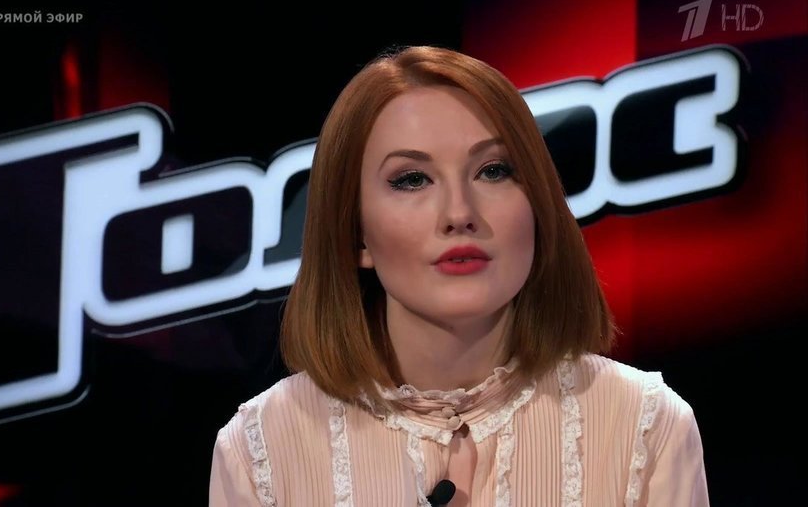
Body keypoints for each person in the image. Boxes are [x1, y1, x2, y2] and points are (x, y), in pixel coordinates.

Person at [208, 45, 709, 506]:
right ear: (355, 233)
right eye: (412, 179)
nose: (459, 213)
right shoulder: (261, 449)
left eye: (493, 171)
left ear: (538, 204)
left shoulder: (646, 426)